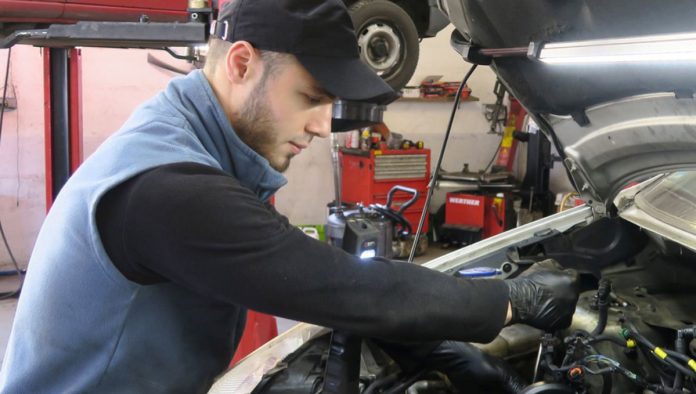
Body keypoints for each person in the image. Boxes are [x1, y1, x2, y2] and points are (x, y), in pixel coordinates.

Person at [0, 0, 579, 393]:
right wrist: (510, 301)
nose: (324, 125)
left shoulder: (186, 137)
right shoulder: (168, 188)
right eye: (310, 96)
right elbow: (330, 284)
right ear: (243, 63)